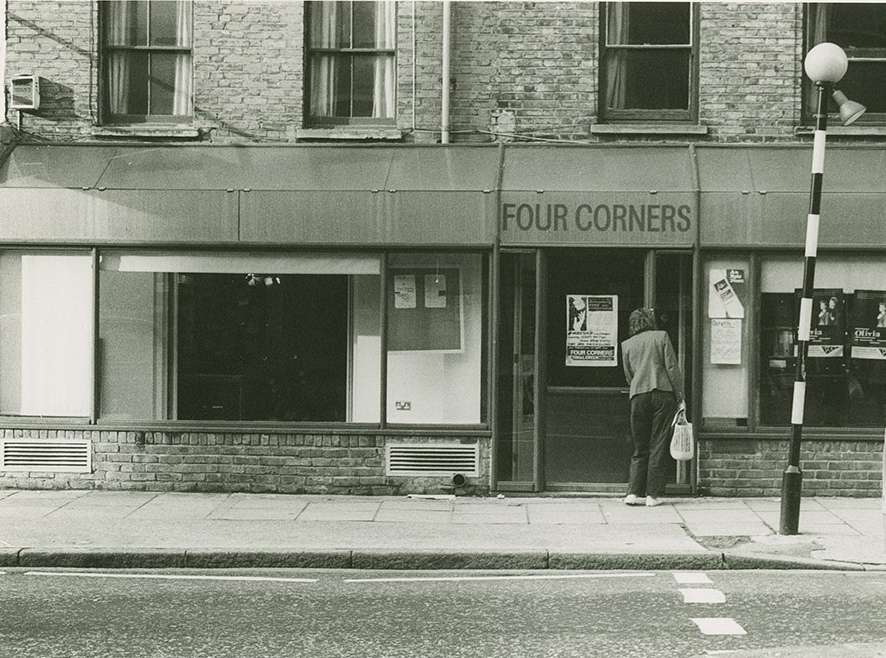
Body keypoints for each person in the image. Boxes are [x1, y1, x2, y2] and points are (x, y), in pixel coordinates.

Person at [620, 308, 685, 508]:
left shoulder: (627, 344)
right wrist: (680, 396)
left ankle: (632, 493)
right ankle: (652, 495)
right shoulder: (661, 336)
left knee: (640, 445)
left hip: (638, 395)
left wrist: (638, 386)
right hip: (662, 394)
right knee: (658, 444)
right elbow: (672, 368)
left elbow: (628, 374)